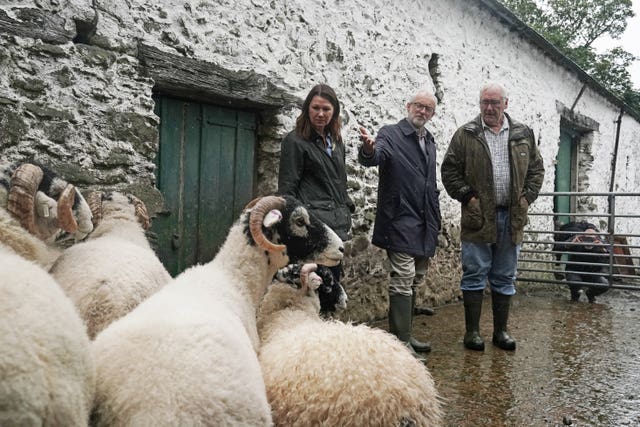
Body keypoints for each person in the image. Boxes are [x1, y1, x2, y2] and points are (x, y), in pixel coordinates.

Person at [441, 82, 545, 352]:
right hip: (478, 217)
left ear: (505, 104)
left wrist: (526, 198)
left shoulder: (523, 134)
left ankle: (501, 331)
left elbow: (537, 169)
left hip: (511, 217)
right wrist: (468, 197)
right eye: (485, 102)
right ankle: (472, 333)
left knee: (505, 275)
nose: (489, 107)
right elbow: (449, 170)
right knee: (474, 273)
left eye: (495, 103)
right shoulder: (466, 134)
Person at [358, 90, 441, 361]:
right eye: (419, 106)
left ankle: (407, 335)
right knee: (403, 278)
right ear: (408, 106)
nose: (423, 112)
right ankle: (399, 343)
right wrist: (368, 149)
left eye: (428, 109)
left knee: (416, 278)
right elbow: (375, 155)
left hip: (424, 219)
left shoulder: (429, 141)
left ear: (432, 114)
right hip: (399, 219)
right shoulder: (390, 134)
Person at [277, 84, 354, 296]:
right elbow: (287, 191)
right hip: (314, 229)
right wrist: (295, 229)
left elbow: (339, 182)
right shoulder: (295, 142)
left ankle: (327, 328)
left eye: (326, 109)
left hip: (337, 226)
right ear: (307, 109)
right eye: (315, 108)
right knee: (312, 289)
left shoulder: (336, 141)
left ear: (334, 112)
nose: (320, 114)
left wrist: (346, 206)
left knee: (332, 287)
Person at [553, 221, 610, 302]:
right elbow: (557, 247)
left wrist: (603, 249)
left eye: (591, 239)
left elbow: (611, 254)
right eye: (586, 238)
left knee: (604, 285)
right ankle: (575, 295)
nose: (588, 241)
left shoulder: (600, 243)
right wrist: (569, 244)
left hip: (593, 274)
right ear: (582, 236)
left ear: (597, 238)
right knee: (574, 282)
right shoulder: (577, 239)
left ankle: (590, 294)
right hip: (575, 271)